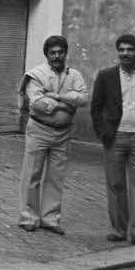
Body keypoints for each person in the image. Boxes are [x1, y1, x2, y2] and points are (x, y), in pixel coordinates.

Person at [16, 35, 87, 235]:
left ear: (66, 53)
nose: (57, 56)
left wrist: (56, 96)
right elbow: (38, 103)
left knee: (56, 176)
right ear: (46, 54)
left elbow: (83, 99)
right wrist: (68, 102)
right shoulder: (36, 74)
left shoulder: (74, 75)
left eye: (60, 52)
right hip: (39, 130)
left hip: (63, 133)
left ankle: (50, 218)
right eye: (52, 53)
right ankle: (28, 217)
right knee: (32, 174)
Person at [90, 34, 135, 244]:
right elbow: (96, 107)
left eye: (129, 49)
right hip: (114, 137)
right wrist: (102, 132)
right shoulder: (106, 76)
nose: (125, 53)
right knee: (116, 184)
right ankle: (119, 230)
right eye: (121, 49)